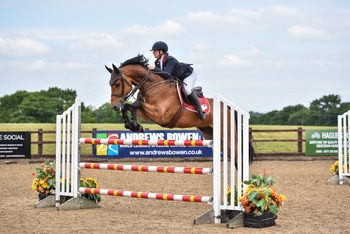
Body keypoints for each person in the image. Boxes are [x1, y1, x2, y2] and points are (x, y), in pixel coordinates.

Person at [148, 41, 206, 121]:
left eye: (154, 50)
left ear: (161, 51)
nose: (153, 53)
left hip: (188, 75)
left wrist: (154, 69)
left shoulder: (170, 59)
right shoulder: (157, 62)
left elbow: (167, 75)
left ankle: (200, 110)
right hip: (177, 78)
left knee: (187, 89)